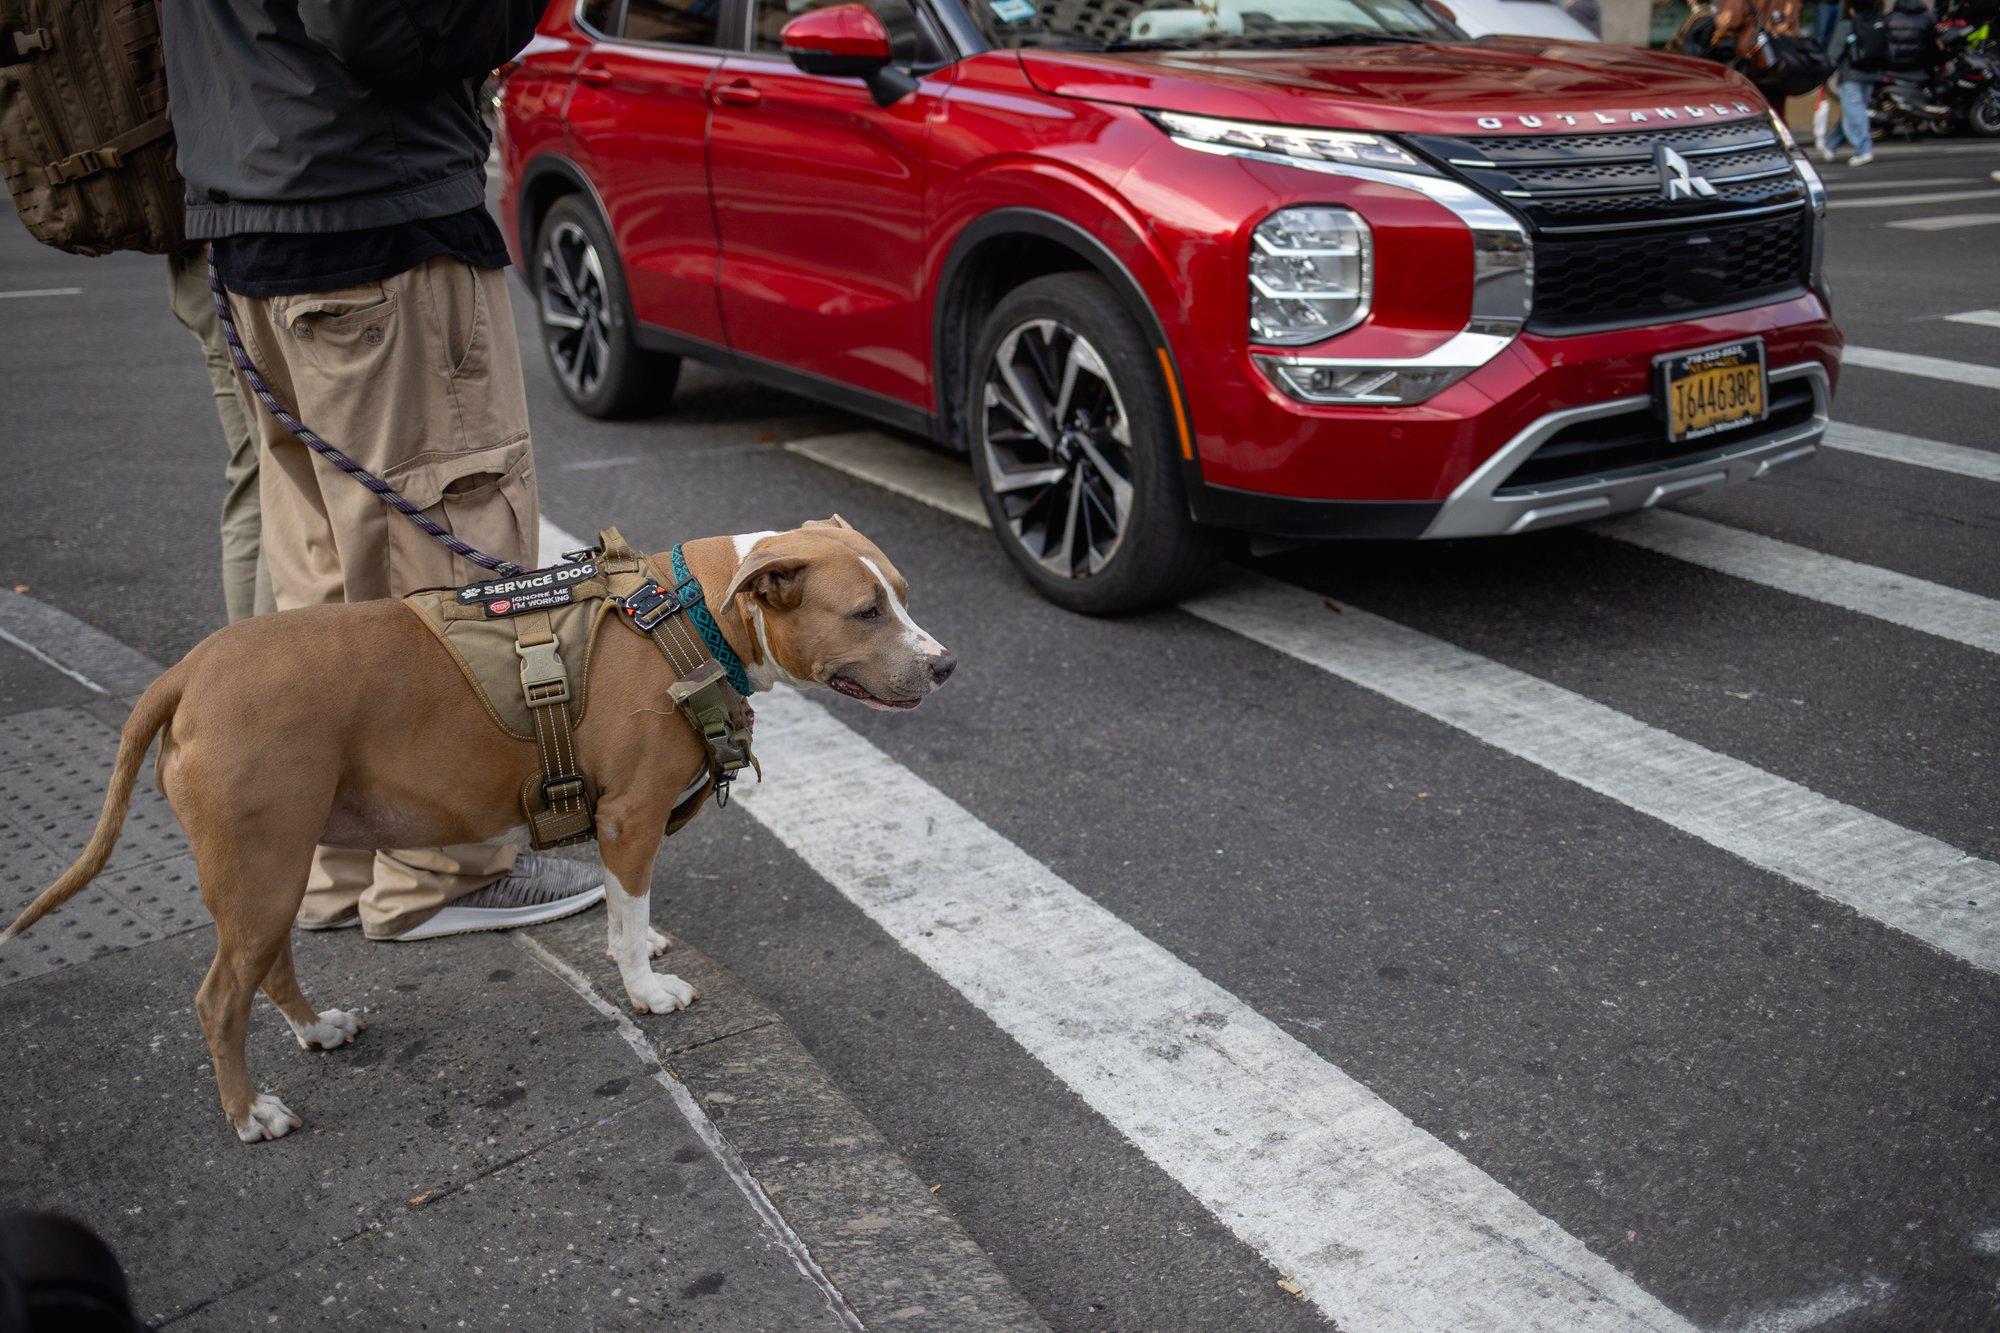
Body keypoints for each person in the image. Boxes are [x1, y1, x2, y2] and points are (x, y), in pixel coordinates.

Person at [160, 0, 606, 943]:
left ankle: (329, 865)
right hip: (376, 214)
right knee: (444, 567)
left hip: (250, 212)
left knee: (320, 567)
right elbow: (374, 28)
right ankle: (444, 872)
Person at [166, 244, 274, 624]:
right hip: (248, 265)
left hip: (197, 266)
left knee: (256, 476)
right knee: (284, 484)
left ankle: (244, 667)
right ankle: (266, 667)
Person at [1822, 0, 1888, 164]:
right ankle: (1831, 144)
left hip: (1851, 75)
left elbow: (1833, 54)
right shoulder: (1878, 23)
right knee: (1852, 111)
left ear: (1850, 8)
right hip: (1872, 74)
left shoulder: (1847, 24)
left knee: (1854, 111)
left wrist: (1823, 73)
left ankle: (1863, 150)